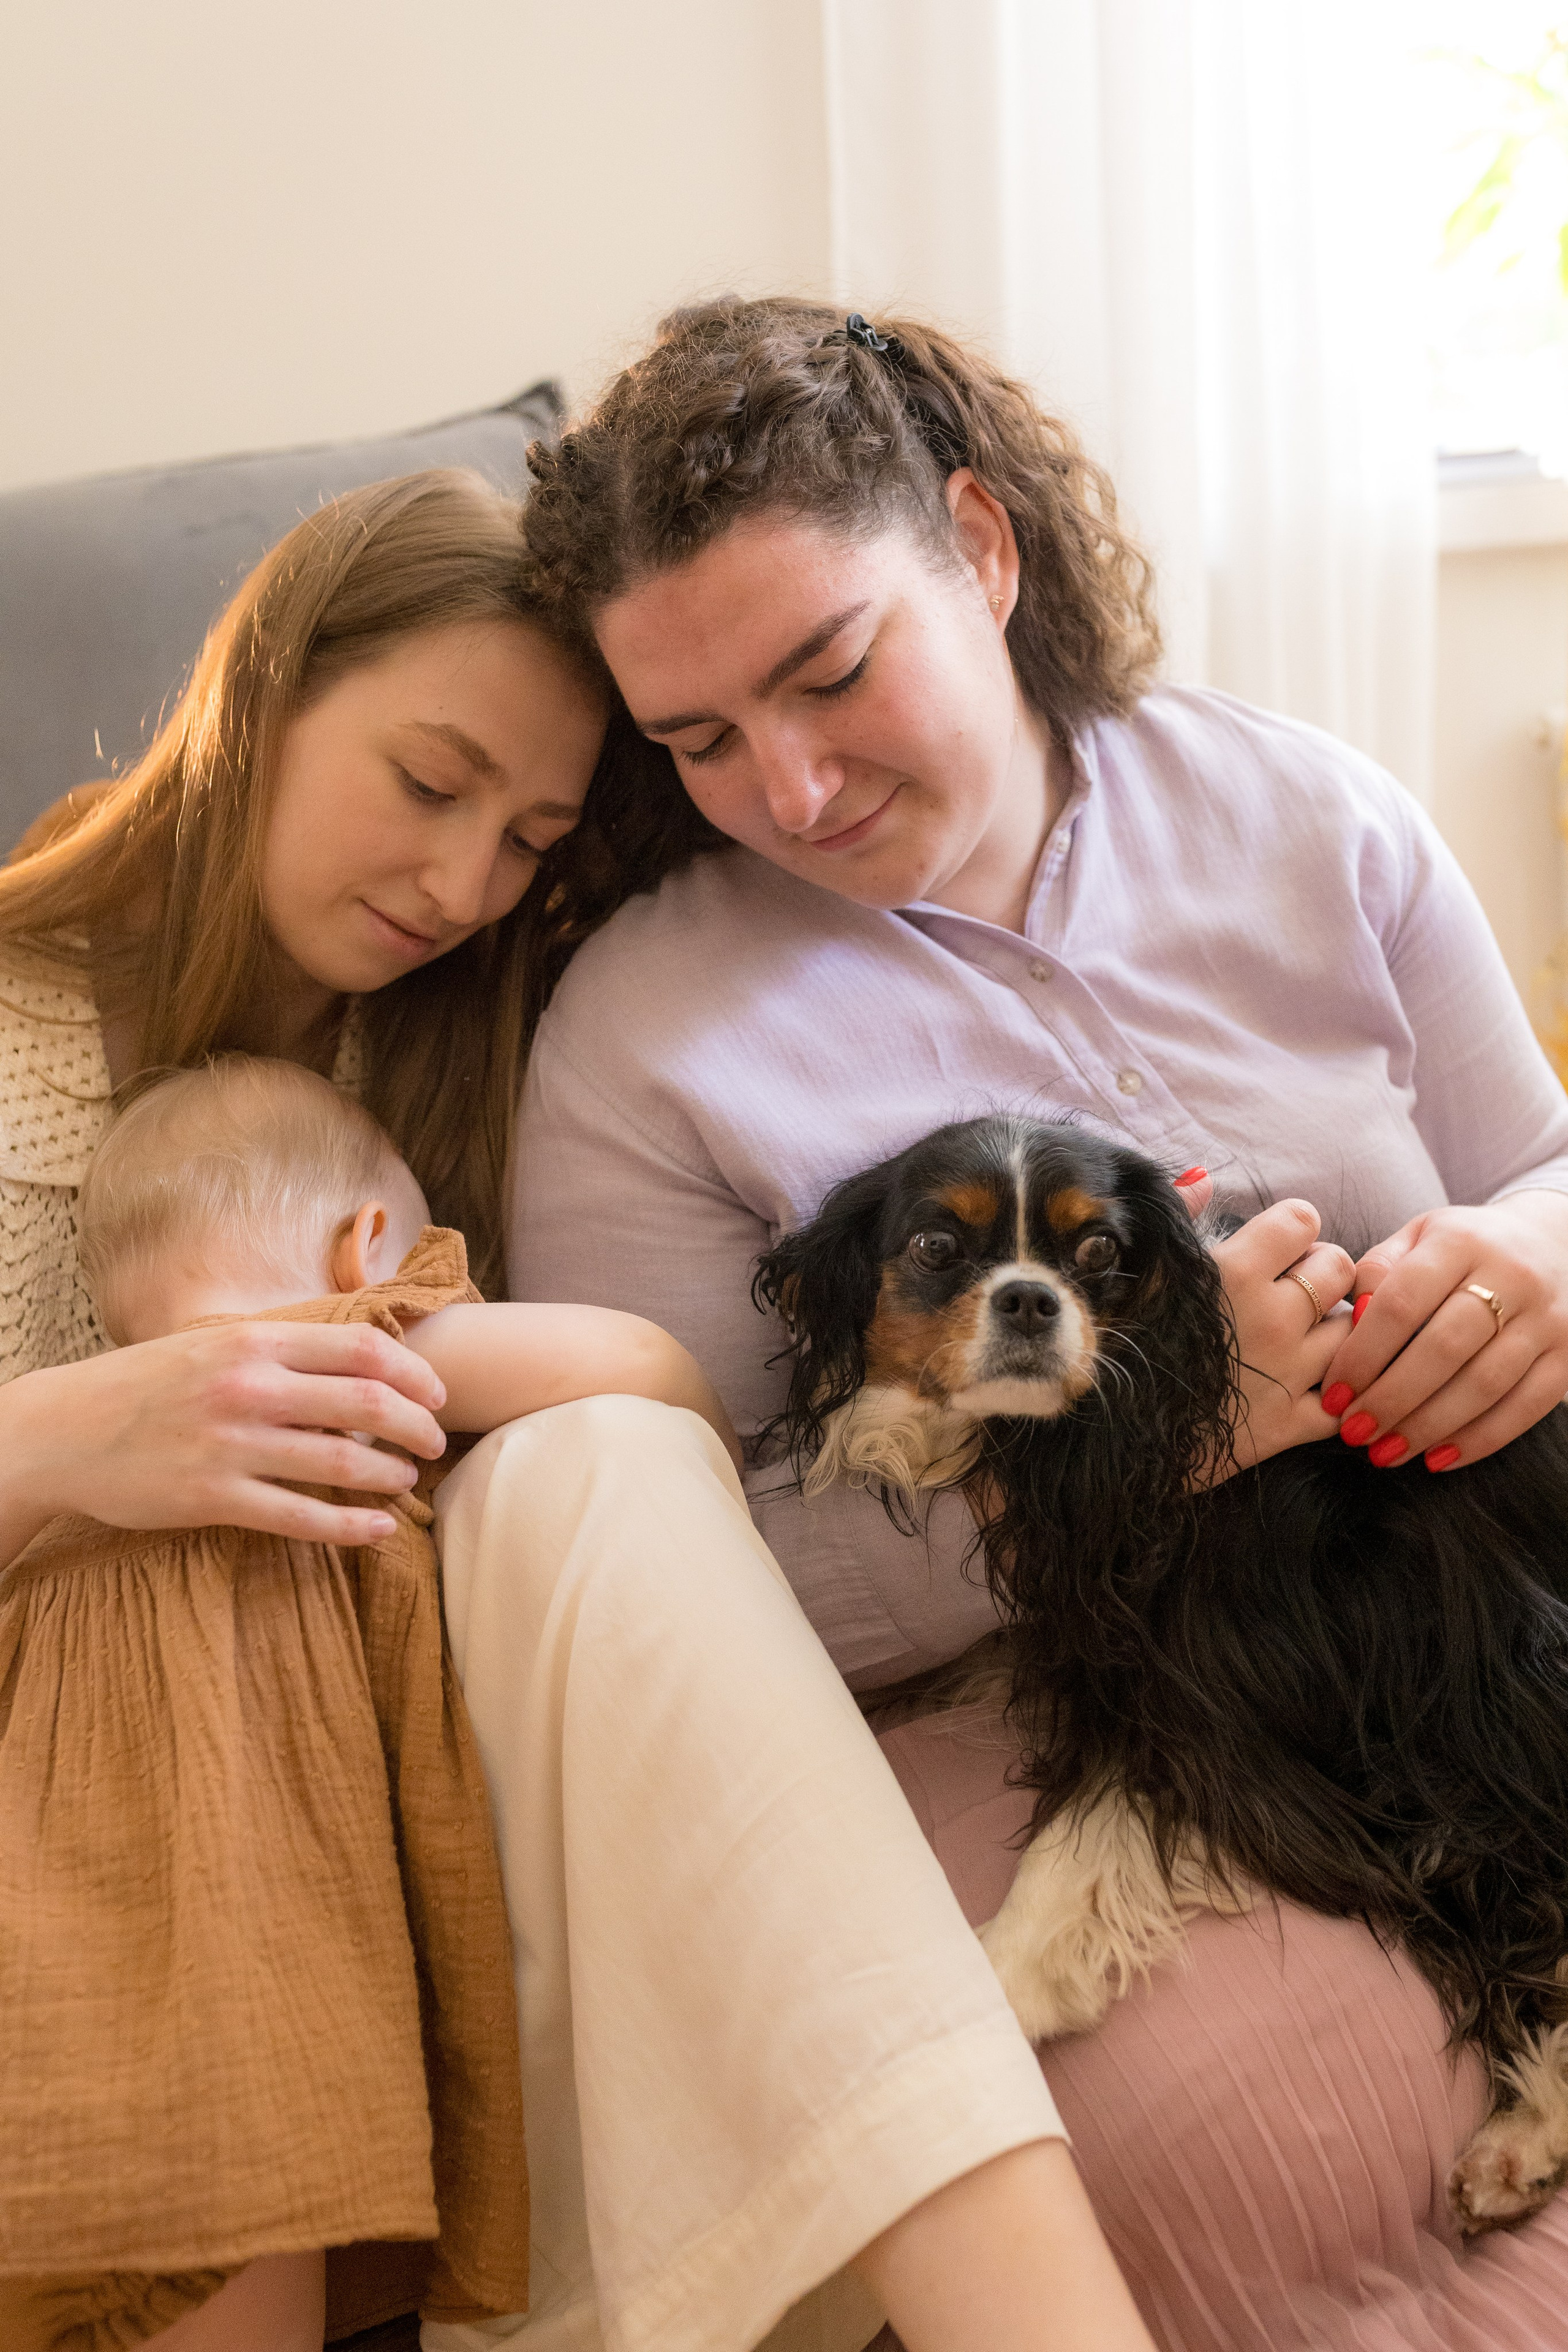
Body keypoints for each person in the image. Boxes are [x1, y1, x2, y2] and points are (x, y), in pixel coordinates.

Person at [0, 467, 1155, 2352]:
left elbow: (666, 1406)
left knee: (597, 1453)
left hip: (429, 1780)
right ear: (267, 688)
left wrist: (395, 1350)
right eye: (429, 781)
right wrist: (72, 1443)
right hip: (99, 1798)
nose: (463, 886)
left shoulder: (495, 1038)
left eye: (530, 837)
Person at [511, 296, 1568, 2345]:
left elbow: (1540, 1158)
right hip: (1037, 1683)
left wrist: (1539, 1263)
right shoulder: (643, 1046)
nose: (792, 788)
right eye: (698, 743)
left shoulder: (1299, 811)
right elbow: (686, 1592)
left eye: (831, 671)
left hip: (1456, 1568)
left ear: (981, 552)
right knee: (1257, 2123)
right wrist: (1156, 1439)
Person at [1, 1052, 745, 2352]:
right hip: (237, 1970)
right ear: (370, 1246)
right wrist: (722, 1483)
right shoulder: (343, 1352)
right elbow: (634, 1356)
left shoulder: (64, 1511)